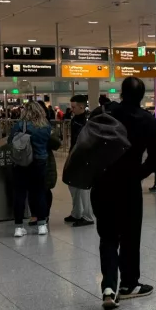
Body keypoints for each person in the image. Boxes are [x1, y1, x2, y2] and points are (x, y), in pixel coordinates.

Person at [92, 77, 156, 309]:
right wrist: (137, 174)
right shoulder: (149, 121)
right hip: (129, 184)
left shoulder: (105, 113)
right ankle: (129, 284)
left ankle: (109, 286)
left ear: (121, 92)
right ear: (142, 96)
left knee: (108, 235)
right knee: (131, 235)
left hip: (103, 181)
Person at [10, 101, 52, 237]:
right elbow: (48, 142)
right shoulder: (45, 126)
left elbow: (10, 141)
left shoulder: (19, 125)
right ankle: (42, 225)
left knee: (19, 194)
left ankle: (18, 227)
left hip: (21, 163)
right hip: (39, 162)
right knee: (39, 193)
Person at [64, 96, 94, 227]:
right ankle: (76, 212)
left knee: (83, 187)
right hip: (75, 155)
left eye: (74, 107)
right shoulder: (74, 120)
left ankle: (87, 216)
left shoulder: (88, 121)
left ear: (82, 106)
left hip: (85, 157)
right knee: (73, 185)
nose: (72, 109)